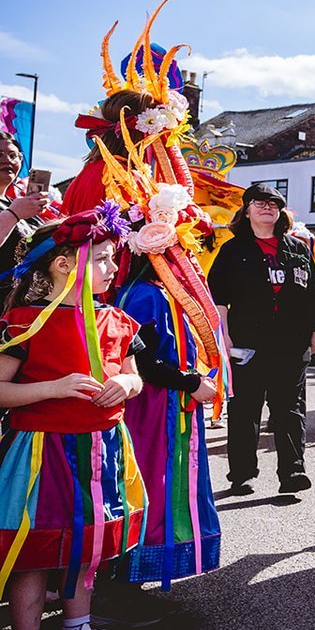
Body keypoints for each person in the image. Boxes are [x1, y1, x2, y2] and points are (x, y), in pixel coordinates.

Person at [0, 207, 145, 630]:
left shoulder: (119, 320)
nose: (112, 268)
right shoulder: (25, 322)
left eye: (113, 259)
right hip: (42, 452)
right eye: (102, 259)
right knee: (35, 550)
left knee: (87, 547)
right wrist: (53, 388)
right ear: (63, 264)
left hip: (101, 451)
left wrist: (125, 383)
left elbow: (135, 374)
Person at [109, 260, 222, 606]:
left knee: (156, 481)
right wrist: (190, 383)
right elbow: (145, 363)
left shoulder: (153, 293)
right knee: (150, 480)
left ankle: (130, 576)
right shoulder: (146, 296)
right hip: (152, 410)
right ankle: (121, 583)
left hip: (164, 407)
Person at [207, 184, 315, 496]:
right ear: (246, 210)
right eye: (259, 203)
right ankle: (242, 473)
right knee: (245, 411)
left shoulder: (298, 249)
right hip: (247, 343)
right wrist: (225, 336)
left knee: (290, 410)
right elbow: (218, 298)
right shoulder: (232, 252)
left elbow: (311, 295)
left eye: (274, 203)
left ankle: (293, 472)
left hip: (290, 343)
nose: (267, 208)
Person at [0, 133, 49, 308]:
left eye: (13, 155)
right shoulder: (15, 208)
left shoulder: (13, 203)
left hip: (19, 303)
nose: (7, 160)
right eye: (0, 154)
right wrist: (14, 214)